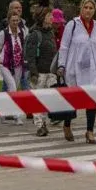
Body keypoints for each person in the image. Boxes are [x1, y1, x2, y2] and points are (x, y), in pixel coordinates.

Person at [58, 0, 96, 144]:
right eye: (85, 7)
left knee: (92, 101)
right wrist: (62, 65)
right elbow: (64, 47)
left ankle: (90, 131)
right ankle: (67, 125)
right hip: (75, 70)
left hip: (93, 70)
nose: (88, 10)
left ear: (94, 10)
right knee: (73, 101)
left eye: (91, 8)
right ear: (81, 8)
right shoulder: (72, 25)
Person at [25, 7, 59, 137]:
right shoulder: (35, 34)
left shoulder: (50, 33)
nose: (52, 18)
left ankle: (43, 122)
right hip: (39, 73)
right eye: (50, 15)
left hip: (50, 72)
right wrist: (34, 73)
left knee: (47, 100)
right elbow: (30, 56)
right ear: (43, 17)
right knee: (38, 100)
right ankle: (39, 125)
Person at [0, 10, 29, 124]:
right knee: (13, 87)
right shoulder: (3, 33)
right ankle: (17, 115)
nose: (15, 22)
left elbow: (25, 45)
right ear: (8, 21)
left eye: (17, 20)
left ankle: (2, 111)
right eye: (13, 20)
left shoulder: (22, 32)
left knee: (12, 89)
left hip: (18, 65)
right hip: (5, 65)